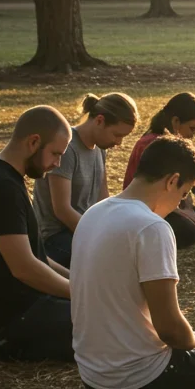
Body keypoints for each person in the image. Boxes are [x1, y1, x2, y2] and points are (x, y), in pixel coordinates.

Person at [72, 135, 195, 389]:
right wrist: (192, 343)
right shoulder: (151, 227)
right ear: (171, 180)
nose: (179, 205)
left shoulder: (93, 213)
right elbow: (170, 330)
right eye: (182, 195)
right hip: (140, 379)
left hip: (93, 374)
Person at [0, 106, 74, 361]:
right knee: (106, 326)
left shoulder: (10, 180)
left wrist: (81, 282)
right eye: (56, 153)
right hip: (11, 312)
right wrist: (82, 295)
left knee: (110, 317)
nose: (57, 164)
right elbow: (24, 268)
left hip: (29, 303)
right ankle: (14, 343)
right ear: (34, 141)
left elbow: (38, 258)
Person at [34, 93, 139, 266]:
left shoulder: (100, 148)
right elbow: (62, 210)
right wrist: (97, 236)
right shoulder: (67, 148)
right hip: (55, 238)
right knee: (114, 260)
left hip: (84, 230)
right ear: (99, 121)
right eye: (116, 134)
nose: (119, 142)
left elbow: (103, 199)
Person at [124, 93, 195, 249]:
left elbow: (183, 183)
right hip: (147, 205)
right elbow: (158, 189)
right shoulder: (154, 144)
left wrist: (188, 209)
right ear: (175, 121)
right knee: (189, 232)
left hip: (169, 201)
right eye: (192, 128)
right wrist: (181, 212)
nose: (192, 135)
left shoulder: (176, 146)